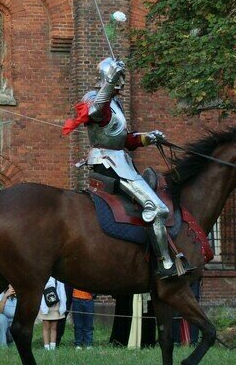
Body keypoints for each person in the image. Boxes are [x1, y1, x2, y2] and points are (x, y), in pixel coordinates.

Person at [62, 40, 192, 279]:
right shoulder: (94, 96)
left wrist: (149, 138)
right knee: (157, 208)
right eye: (118, 78)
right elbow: (93, 114)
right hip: (107, 161)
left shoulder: (116, 102)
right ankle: (165, 264)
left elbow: (125, 140)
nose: (122, 82)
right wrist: (109, 83)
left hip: (121, 158)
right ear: (109, 77)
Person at [39, 276, 67, 350]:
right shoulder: (43, 277)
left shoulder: (58, 279)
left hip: (55, 304)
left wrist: (62, 306)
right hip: (44, 304)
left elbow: (62, 291)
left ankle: (52, 347)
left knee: (54, 327)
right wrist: (43, 307)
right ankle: (46, 347)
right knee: (46, 327)